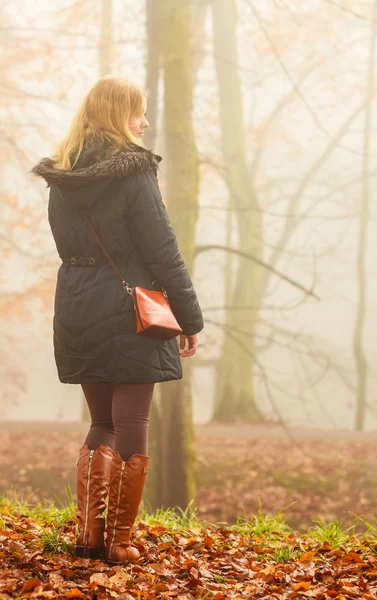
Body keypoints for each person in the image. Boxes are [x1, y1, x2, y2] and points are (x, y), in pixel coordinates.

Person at [30, 75, 204, 565]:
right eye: (137, 113)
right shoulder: (135, 174)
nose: (145, 122)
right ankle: (118, 542)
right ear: (115, 115)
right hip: (132, 307)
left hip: (77, 303)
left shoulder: (62, 174)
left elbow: (68, 247)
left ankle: (89, 537)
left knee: (101, 421)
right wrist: (189, 318)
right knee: (131, 420)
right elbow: (164, 252)